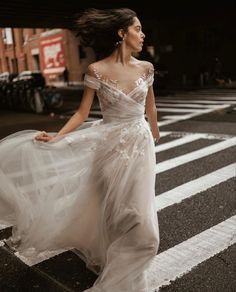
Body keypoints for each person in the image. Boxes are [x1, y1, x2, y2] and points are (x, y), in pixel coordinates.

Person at [0, 8, 160, 292]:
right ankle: (119, 268)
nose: (142, 34)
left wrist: (155, 132)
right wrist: (57, 137)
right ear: (121, 33)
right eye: (137, 28)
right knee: (112, 213)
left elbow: (151, 108)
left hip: (140, 145)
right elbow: (82, 113)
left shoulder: (146, 68)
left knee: (142, 221)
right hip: (108, 148)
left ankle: (125, 275)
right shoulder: (95, 70)